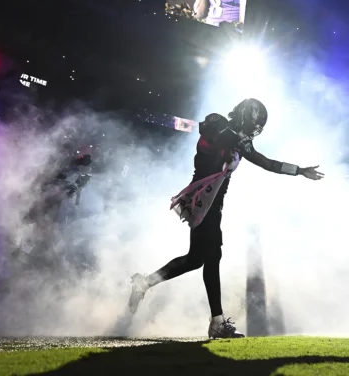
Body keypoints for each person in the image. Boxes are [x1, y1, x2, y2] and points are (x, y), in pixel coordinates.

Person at [128, 99, 324, 339]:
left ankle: (145, 283)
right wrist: (235, 139)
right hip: (202, 199)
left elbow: (266, 163)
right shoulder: (219, 125)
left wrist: (299, 170)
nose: (253, 131)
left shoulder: (239, 140)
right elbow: (211, 132)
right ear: (244, 117)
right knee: (212, 257)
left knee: (195, 259)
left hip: (213, 203)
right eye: (252, 125)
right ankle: (217, 322)